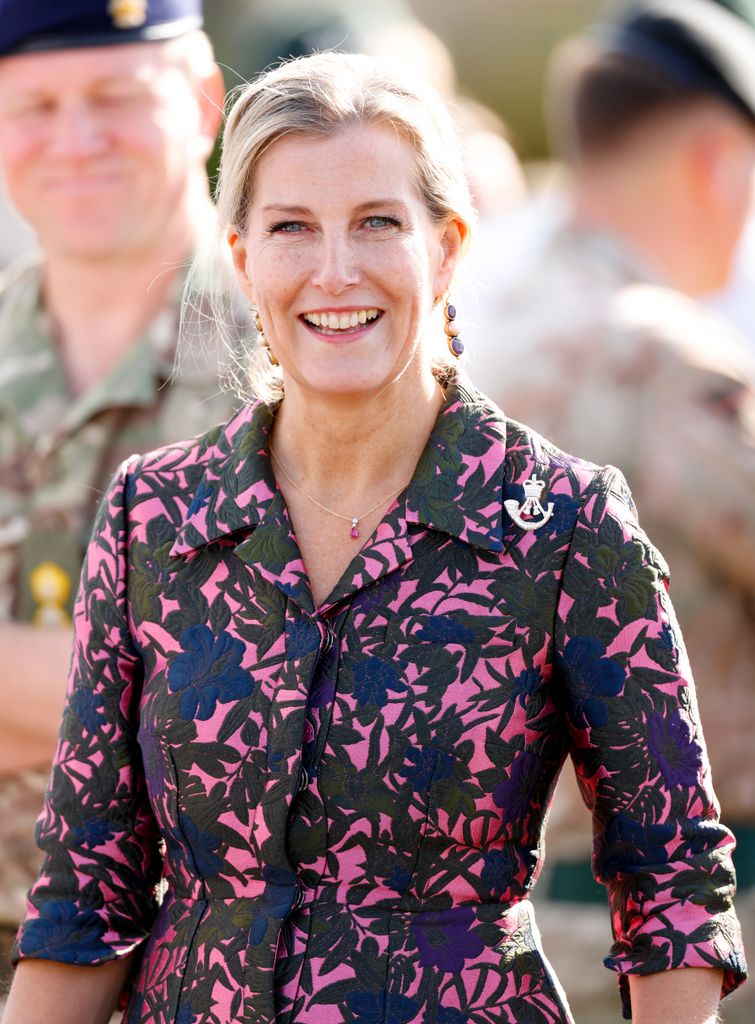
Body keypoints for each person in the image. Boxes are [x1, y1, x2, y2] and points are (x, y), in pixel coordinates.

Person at [4, 51, 747, 1024]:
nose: (334, 271)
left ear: (446, 248)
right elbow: (84, 893)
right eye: (290, 228)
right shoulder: (156, 516)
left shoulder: (563, 524)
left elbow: (670, 883)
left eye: (376, 223)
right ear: (242, 259)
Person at [468, 0, 755, 922]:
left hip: (513, 915)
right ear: (715, 161)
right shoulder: (667, 358)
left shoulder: (478, 327)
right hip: (695, 918)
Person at [0, 0, 237, 973]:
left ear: (205, 101)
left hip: (212, 976)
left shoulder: (303, 361)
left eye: (115, 97)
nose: (77, 140)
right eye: (36, 105)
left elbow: (259, 712)